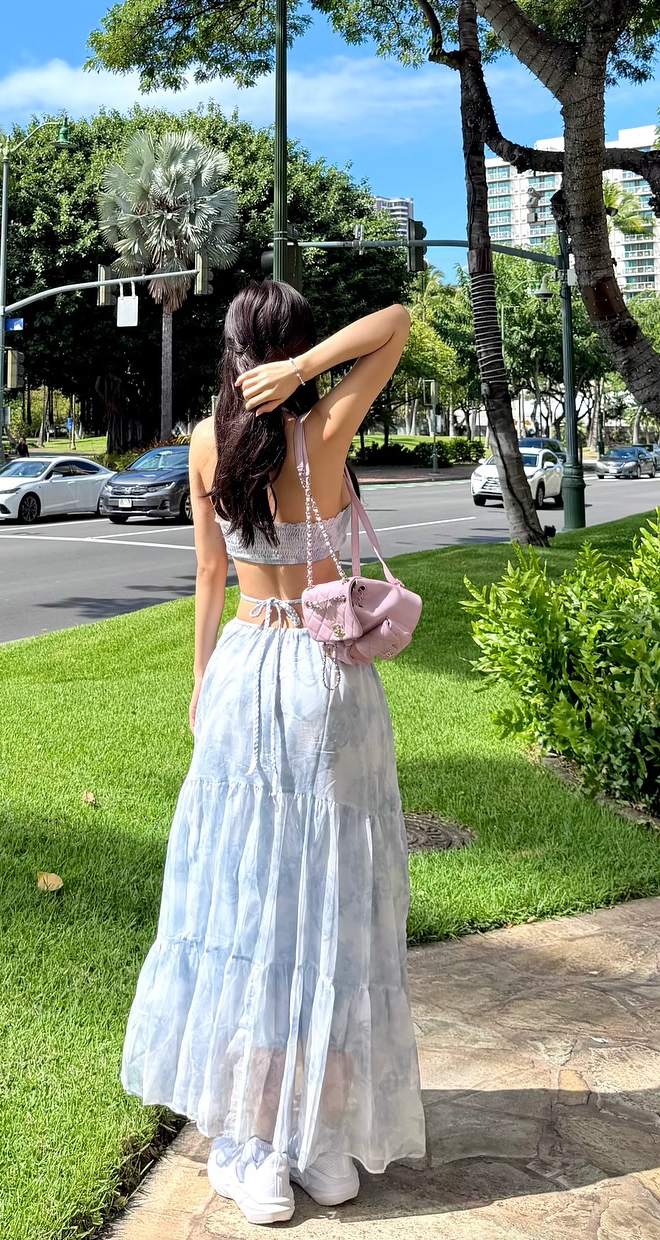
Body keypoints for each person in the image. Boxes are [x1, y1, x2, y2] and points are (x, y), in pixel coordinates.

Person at [122, 282, 424, 1224]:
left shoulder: (207, 443)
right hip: (328, 678)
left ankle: (256, 1144)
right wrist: (308, 370)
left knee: (251, 904)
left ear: (229, 351)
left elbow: (210, 573)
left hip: (249, 668)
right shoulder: (324, 431)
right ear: (293, 349)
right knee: (329, 905)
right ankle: (321, 1142)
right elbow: (396, 324)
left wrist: (200, 679)